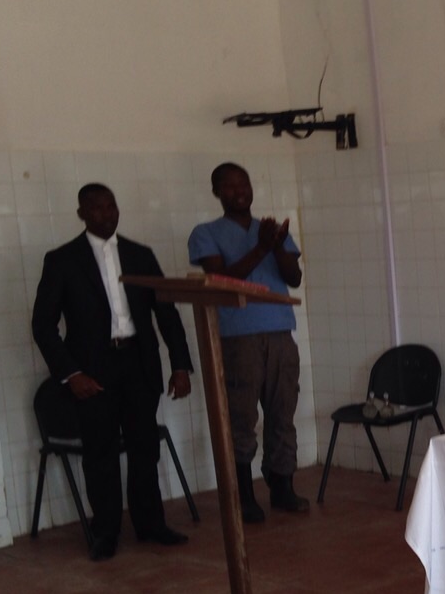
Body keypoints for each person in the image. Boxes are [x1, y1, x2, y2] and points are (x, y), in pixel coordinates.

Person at [31, 183, 194, 561]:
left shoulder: (140, 255)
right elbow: (43, 325)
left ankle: (150, 524)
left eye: (112, 206)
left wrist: (180, 365)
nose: (107, 214)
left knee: (145, 449)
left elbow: (165, 313)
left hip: (139, 363)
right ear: (81, 214)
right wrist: (71, 374)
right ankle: (105, 532)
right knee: (100, 453)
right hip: (92, 370)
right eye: (97, 208)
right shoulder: (62, 260)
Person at [188, 162, 307, 523]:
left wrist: (277, 246)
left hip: (280, 333)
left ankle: (282, 486)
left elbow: (294, 277)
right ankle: (244, 495)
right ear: (216, 193)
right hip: (237, 338)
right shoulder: (205, 232)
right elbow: (222, 279)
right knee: (241, 418)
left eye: (244, 184)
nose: (239, 191)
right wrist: (261, 248)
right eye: (230, 186)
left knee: (283, 413)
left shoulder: (270, 230)